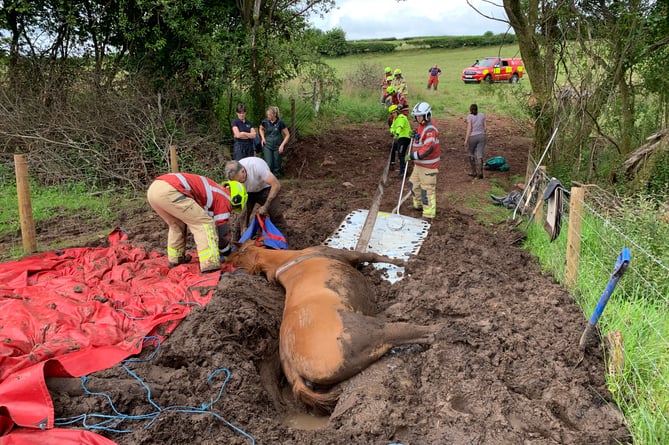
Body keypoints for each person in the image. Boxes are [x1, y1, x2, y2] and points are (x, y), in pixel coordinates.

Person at [147, 173, 247, 273]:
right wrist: (226, 252)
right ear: (237, 197)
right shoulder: (225, 198)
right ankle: (210, 264)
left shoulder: (216, 190)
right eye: (235, 207)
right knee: (204, 223)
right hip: (171, 190)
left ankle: (176, 260)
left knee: (177, 225)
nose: (232, 210)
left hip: (155, 189)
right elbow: (222, 231)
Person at [224, 157, 285, 231]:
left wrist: (266, 206)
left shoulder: (257, 166)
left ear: (243, 171)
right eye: (237, 182)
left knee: (276, 214)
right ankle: (241, 237)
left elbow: (276, 185)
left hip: (264, 188)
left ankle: (281, 237)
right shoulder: (232, 177)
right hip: (247, 192)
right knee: (241, 218)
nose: (240, 183)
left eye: (240, 180)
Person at [405, 102, 440, 220]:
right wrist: (415, 136)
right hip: (419, 165)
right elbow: (421, 139)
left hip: (428, 167)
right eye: (416, 116)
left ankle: (428, 214)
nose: (418, 118)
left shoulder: (430, 129)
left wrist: (412, 155)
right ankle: (418, 205)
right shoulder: (422, 126)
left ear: (427, 115)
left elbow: (428, 148)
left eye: (420, 116)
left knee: (427, 190)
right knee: (413, 185)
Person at [259, 106, 290, 178]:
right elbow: (261, 129)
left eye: (270, 115)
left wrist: (282, 145)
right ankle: (268, 178)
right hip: (268, 145)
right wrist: (263, 138)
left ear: (274, 115)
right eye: (267, 115)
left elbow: (287, 135)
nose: (268, 116)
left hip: (277, 146)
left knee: (277, 164)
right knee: (269, 163)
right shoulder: (265, 122)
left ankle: (276, 178)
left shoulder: (280, 123)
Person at [464, 103, 487, 179]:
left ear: (470, 110)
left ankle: (474, 171)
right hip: (481, 136)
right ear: (477, 109)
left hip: (473, 137)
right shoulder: (482, 115)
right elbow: (485, 128)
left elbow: (469, 129)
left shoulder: (469, 117)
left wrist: (466, 140)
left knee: (471, 153)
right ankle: (480, 173)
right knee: (479, 155)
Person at [389, 104, 411, 176]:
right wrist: (392, 132)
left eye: (394, 112)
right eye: (392, 113)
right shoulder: (395, 119)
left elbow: (400, 127)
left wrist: (397, 134)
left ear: (397, 112)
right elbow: (392, 127)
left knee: (401, 153)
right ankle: (392, 163)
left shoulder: (401, 118)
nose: (393, 114)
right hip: (399, 138)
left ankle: (403, 171)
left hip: (405, 137)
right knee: (392, 148)